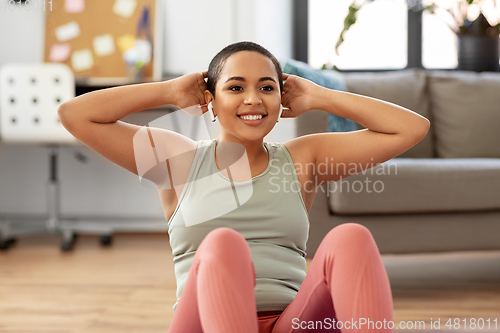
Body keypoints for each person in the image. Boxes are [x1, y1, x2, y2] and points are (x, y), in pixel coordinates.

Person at [58, 41, 430, 333]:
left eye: (267, 88)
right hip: (202, 323)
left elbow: (411, 128)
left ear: (280, 100)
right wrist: (169, 91)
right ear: (211, 101)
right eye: (236, 87)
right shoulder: (179, 160)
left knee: (351, 237)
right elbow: (74, 115)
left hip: (292, 322)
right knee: (223, 243)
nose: (253, 99)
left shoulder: (302, 160)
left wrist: (320, 97)